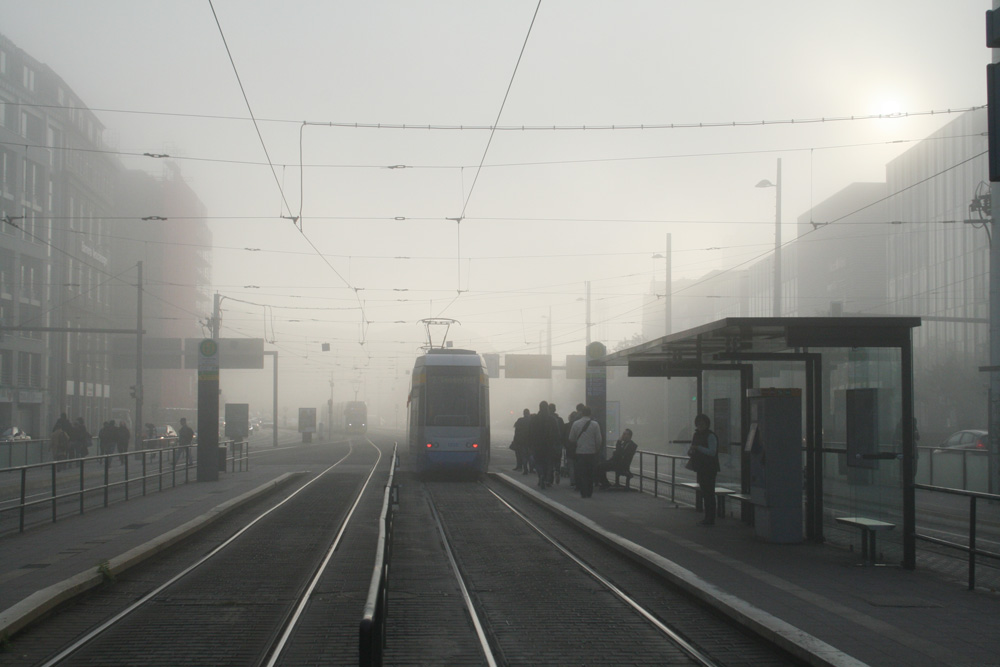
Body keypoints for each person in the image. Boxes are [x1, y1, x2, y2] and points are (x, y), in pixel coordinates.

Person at [687, 414, 720, 526]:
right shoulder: (696, 435)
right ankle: (707, 517)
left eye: (702, 423)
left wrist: (698, 448)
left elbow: (712, 452)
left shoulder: (711, 436)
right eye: (698, 423)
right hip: (700, 467)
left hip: (710, 468)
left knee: (709, 492)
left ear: (707, 424)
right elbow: (693, 448)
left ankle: (710, 518)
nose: (700, 425)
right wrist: (691, 450)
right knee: (705, 492)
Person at [568, 406, 603, 498]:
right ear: (590, 414)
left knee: (582, 473)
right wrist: (596, 449)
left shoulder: (575, 424)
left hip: (580, 452)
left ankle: (583, 492)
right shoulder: (595, 424)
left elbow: (571, 438)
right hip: (591, 452)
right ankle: (589, 492)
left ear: (582, 413)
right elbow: (599, 440)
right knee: (590, 473)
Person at [528, 401, 559, 489]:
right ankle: (546, 478)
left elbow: (530, 432)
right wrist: (556, 443)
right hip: (549, 445)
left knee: (538, 462)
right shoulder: (552, 419)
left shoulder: (534, 419)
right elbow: (556, 433)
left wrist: (530, 444)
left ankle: (541, 475)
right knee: (548, 463)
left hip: (537, 445)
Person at [548, 403, 565, 485]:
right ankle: (557, 471)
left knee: (550, 461)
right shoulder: (560, 419)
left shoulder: (547, 419)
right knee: (557, 460)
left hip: (549, 444)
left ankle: (550, 478)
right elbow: (563, 431)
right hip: (558, 443)